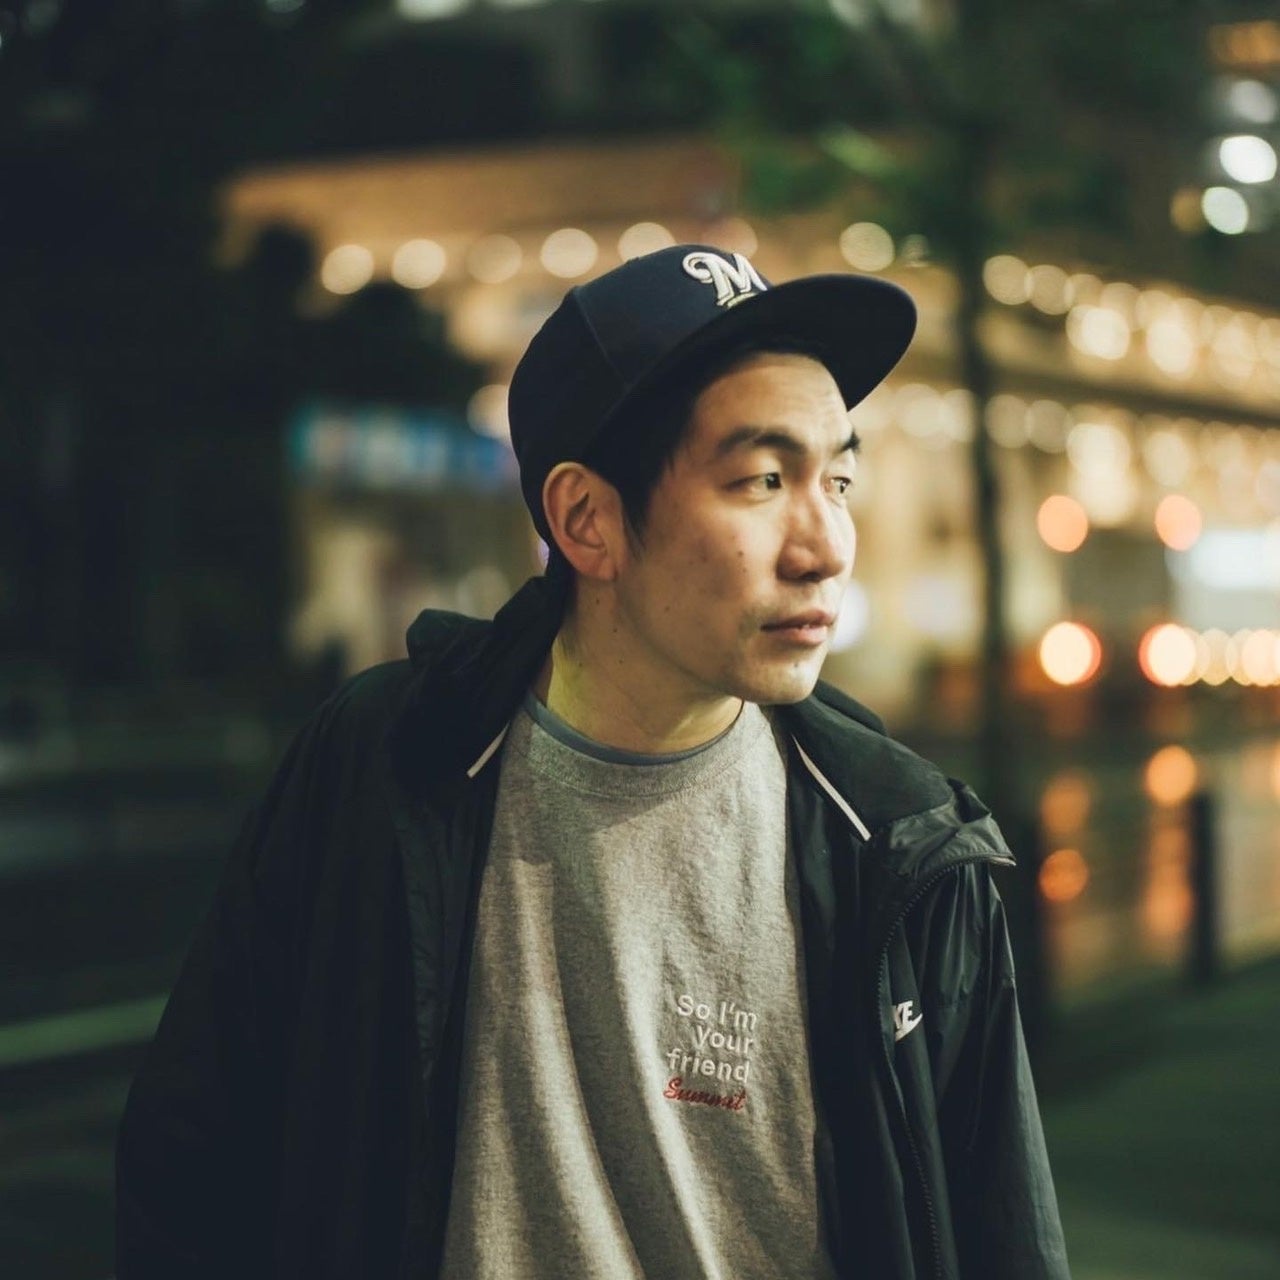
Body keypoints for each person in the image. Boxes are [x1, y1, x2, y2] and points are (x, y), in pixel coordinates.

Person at [116, 244, 1070, 1279]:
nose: (825, 545)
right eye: (761, 480)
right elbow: (192, 1166)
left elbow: (1001, 1238)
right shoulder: (380, 770)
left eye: (835, 478)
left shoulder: (902, 843)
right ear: (587, 520)